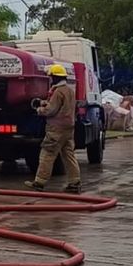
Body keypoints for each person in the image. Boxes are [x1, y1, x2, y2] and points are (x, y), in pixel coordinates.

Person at [26, 63, 81, 193]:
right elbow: (60, 106)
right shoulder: (69, 91)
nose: (50, 79)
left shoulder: (58, 92)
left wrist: (39, 109)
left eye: (51, 77)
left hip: (56, 130)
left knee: (47, 154)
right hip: (68, 129)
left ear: (55, 77)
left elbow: (51, 110)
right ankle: (75, 183)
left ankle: (39, 182)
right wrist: (44, 102)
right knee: (69, 155)